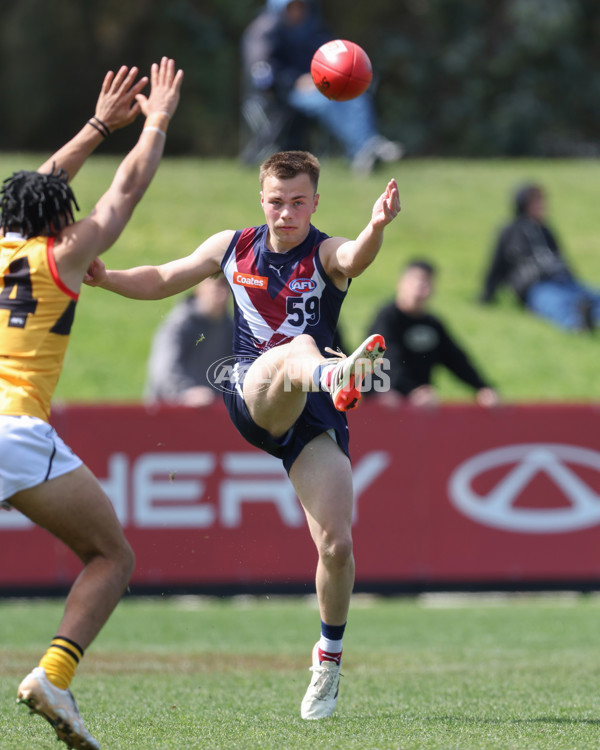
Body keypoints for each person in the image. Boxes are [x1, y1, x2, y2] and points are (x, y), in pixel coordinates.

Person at [84, 150, 400, 720]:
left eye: (298, 203)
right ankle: (336, 373)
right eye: (276, 202)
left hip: (312, 414)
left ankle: (328, 660)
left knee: (337, 545)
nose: (286, 214)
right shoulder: (233, 247)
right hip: (253, 392)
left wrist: (375, 226)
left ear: (315, 202)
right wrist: (106, 278)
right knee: (298, 349)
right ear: (262, 199)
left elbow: (355, 255)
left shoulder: (325, 251)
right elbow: (162, 277)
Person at [1, 58, 183, 749]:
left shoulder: (5, 243)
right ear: (58, 218)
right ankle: (53, 675)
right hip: (15, 428)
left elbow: (41, 183)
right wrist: (156, 120)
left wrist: (100, 123)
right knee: (112, 557)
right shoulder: (63, 257)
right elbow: (126, 190)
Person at [240, 0, 403, 173]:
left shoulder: (314, 28)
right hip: (285, 93)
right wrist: (296, 80)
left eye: (301, 6)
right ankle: (362, 148)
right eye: (292, 6)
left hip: (319, 84)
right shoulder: (264, 31)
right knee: (328, 101)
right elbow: (261, 71)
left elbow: (333, 57)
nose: (297, 11)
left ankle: (366, 145)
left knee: (355, 93)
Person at [368, 260, 500, 408]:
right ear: (401, 283)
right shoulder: (388, 318)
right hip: (387, 400)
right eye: (415, 282)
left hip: (422, 403)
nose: (420, 289)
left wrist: (482, 388)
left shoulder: (431, 324)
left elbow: (455, 359)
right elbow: (388, 359)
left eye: (426, 283)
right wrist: (410, 390)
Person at [479, 182, 600, 331]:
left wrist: (571, 277)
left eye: (542, 200)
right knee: (556, 304)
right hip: (535, 285)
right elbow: (496, 266)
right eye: (536, 201)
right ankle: (579, 325)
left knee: (592, 296)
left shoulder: (546, 230)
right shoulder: (510, 231)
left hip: (562, 279)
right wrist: (486, 296)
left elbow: (561, 257)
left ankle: (591, 316)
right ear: (523, 203)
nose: (541, 205)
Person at [145, 275, 234, 407]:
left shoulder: (231, 328)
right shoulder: (179, 324)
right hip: (173, 410)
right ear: (200, 289)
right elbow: (163, 369)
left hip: (212, 411)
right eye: (216, 287)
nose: (222, 293)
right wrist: (185, 392)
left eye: (226, 287)